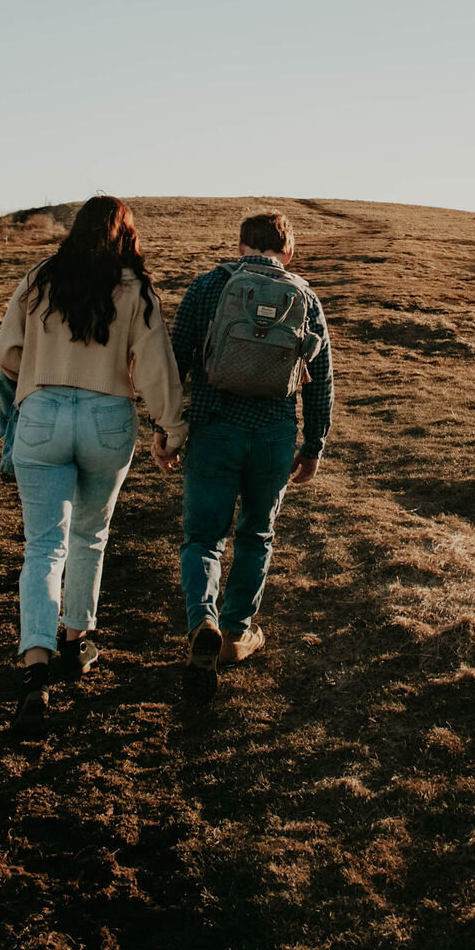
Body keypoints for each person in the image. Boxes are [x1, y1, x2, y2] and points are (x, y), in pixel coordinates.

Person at [0, 195, 187, 738]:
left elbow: (8, 353)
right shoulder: (134, 289)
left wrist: (42, 369)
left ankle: (35, 662)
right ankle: (78, 640)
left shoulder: (40, 278)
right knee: (90, 534)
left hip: (41, 416)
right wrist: (171, 428)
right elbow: (154, 365)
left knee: (42, 545)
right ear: (124, 233)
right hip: (106, 416)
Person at [153, 210, 333, 702]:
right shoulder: (305, 295)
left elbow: (176, 358)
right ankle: (235, 634)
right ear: (288, 252)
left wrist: (166, 429)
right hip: (273, 433)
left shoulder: (209, 287)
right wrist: (313, 446)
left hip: (213, 428)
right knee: (256, 533)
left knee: (203, 536)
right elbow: (322, 382)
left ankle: (202, 622)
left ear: (240, 247)